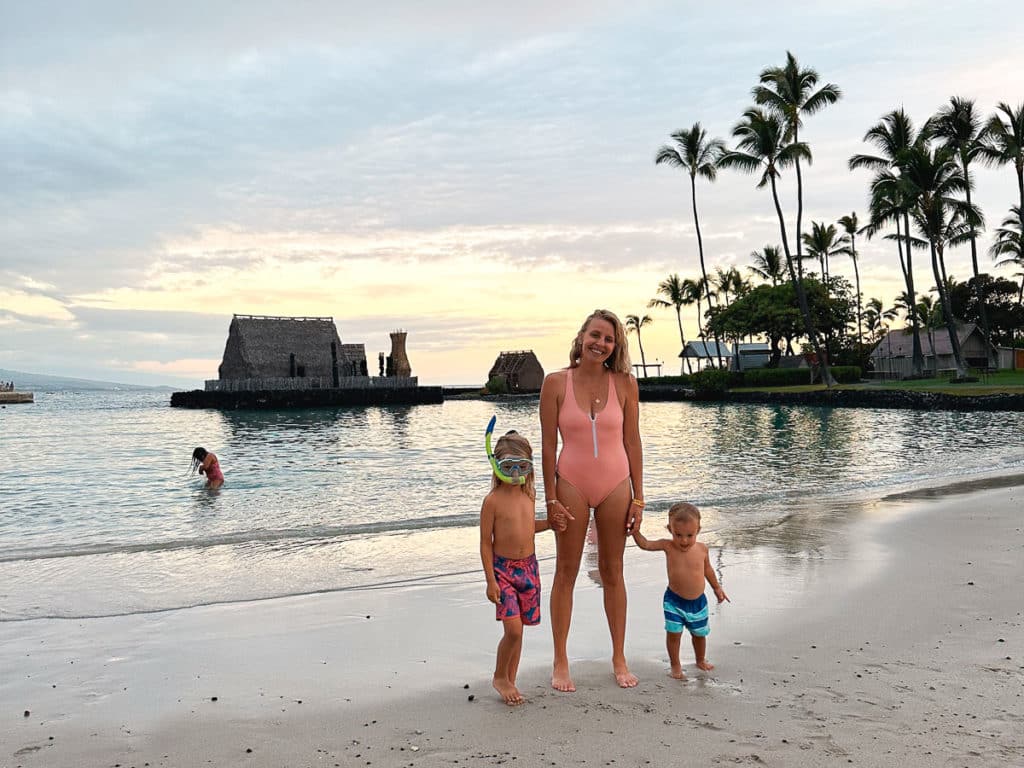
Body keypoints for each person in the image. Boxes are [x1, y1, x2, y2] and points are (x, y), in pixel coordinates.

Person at [540, 308, 644, 691]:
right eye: (595, 335)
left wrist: (640, 497)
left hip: (617, 484)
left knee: (613, 572)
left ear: (615, 346)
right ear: (581, 336)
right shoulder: (554, 383)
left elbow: (632, 442)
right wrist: (551, 499)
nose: (601, 343)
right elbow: (548, 447)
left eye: (609, 339)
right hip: (571, 483)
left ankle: (619, 657)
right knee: (565, 573)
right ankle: (560, 661)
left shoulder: (626, 384)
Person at [479, 429, 551, 705]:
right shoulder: (492, 501)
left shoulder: (529, 496)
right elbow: (486, 543)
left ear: (529, 468)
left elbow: (528, 528)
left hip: (529, 569)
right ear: (496, 466)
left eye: (522, 466)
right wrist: (490, 581)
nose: (515, 472)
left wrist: (552, 525)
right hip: (503, 572)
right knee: (513, 630)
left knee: (520, 628)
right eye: (508, 466)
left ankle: (511, 679)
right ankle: (499, 677)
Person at [632, 502, 729, 679]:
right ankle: (675, 665)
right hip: (673, 601)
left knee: (699, 635)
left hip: (698, 603)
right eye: (678, 535)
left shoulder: (702, 549)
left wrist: (717, 588)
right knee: (674, 634)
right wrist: (635, 531)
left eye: (689, 535)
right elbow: (645, 544)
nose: (684, 540)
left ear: (698, 530)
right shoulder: (667, 546)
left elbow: (708, 570)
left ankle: (700, 659)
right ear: (670, 529)